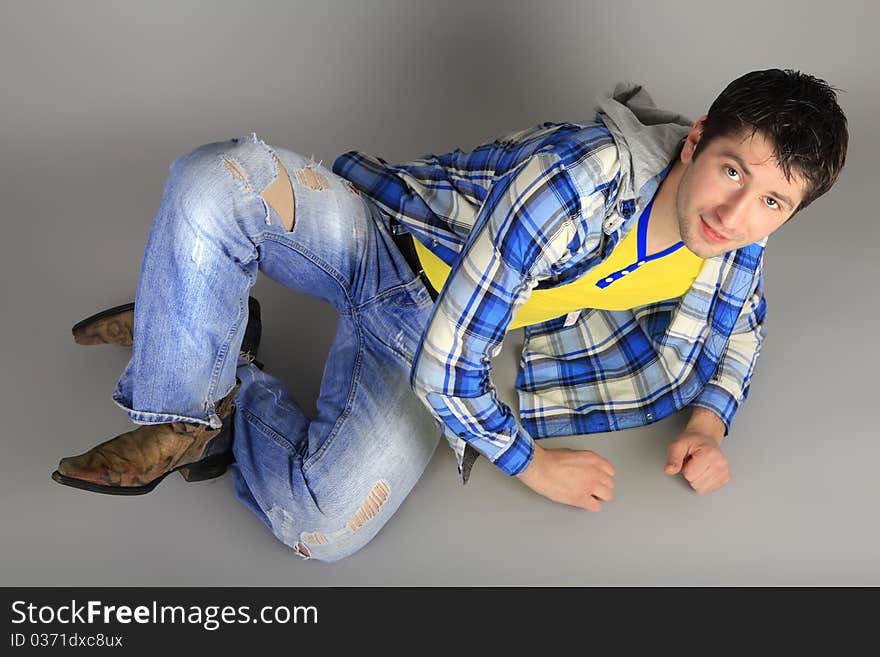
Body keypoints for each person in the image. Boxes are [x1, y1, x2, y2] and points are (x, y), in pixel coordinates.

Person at [52, 69, 848, 562]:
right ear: (696, 142)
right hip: (384, 235)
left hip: (425, 322)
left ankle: (214, 351)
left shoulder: (738, 240)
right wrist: (530, 462)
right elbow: (454, 362)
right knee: (215, 180)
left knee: (319, 526)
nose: (736, 210)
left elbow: (743, 325)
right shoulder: (577, 182)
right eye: (731, 170)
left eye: (772, 200)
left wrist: (710, 421)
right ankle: (177, 405)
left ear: (789, 210)